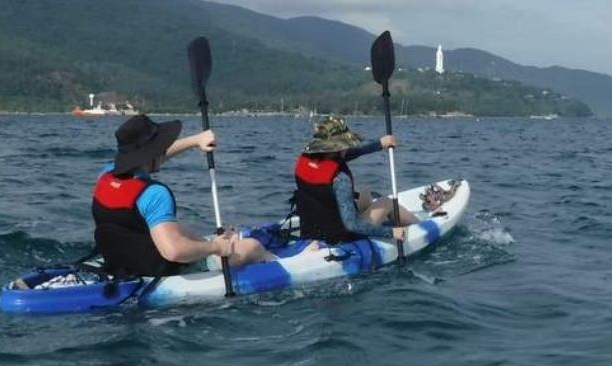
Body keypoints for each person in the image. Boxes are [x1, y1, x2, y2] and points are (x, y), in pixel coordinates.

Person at [92, 113, 272, 277]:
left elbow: (153, 158)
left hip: (120, 260)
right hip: (159, 269)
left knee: (175, 226)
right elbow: (174, 252)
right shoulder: (154, 194)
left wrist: (195, 141)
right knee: (252, 247)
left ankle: (215, 243)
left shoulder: (105, 175)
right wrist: (217, 247)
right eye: (160, 147)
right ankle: (275, 261)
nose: (163, 150)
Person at [291, 115, 420, 244]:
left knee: (365, 193)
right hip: (339, 236)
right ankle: (423, 225)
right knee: (388, 202)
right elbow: (351, 226)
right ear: (340, 147)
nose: (348, 147)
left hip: (312, 228)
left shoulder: (306, 160)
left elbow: (351, 153)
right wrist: (390, 233)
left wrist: (380, 144)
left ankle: (394, 218)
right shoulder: (341, 180)